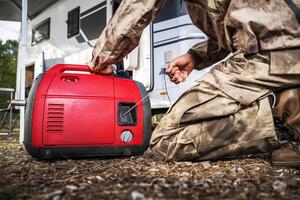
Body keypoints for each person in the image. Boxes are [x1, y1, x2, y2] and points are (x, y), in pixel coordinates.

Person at [89, 0, 300, 167]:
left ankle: (282, 118)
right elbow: (247, 22)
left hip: (270, 55)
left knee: (165, 140)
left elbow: (138, 5)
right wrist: (195, 56)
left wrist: (101, 59)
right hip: (284, 50)